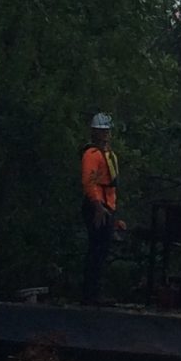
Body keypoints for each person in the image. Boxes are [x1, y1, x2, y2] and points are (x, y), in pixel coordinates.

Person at [80, 114, 121, 304]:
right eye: (101, 131)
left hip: (107, 206)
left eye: (107, 131)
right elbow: (89, 182)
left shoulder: (109, 155)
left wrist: (113, 213)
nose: (105, 135)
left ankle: (95, 292)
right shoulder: (92, 155)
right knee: (96, 249)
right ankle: (91, 293)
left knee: (103, 249)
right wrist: (97, 206)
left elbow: (111, 187)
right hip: (96, 205)